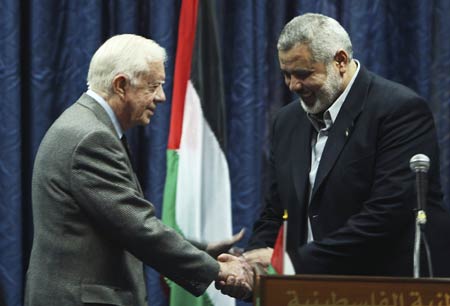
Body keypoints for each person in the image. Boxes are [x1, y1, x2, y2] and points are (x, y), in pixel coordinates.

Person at [24, 34, 252, 306]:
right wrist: (217, 270)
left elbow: (120, 223)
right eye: (154, 86)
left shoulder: (88, 126)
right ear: (121, 85)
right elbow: (136, 227)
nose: (162, 97)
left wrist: (200, 251)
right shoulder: (90, 137)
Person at [243, 13, 450, 278]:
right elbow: (276, 212)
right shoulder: (287, 121)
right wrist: (250, 264)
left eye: (303, 74)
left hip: (383, 287)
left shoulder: (399, 110)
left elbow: (386, 216)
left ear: (340, 61)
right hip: (305, 291)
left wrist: (291, 263)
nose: (293, 85)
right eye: (286, 74)